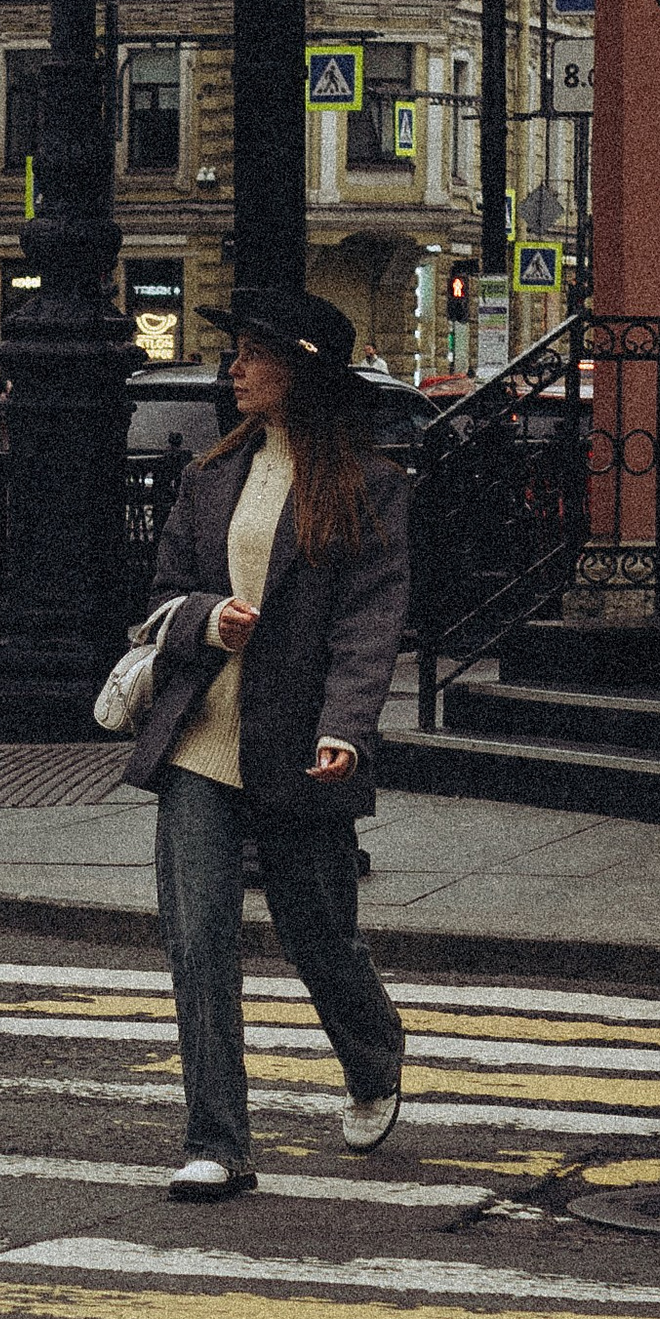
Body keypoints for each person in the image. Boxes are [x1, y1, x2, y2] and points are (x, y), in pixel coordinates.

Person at [121, 288, 412, 1203]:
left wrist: (347, 730)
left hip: (299, 743)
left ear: (301, 373)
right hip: (200, 739)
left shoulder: (369, 486)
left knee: (318, 935)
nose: (233, 368)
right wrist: (212, 620)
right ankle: (218, 1141)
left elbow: (370, 625)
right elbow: (162, 597)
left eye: (252, 354)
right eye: (235, 353)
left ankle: (372, 1057)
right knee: (199, 937)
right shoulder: (209, 477)